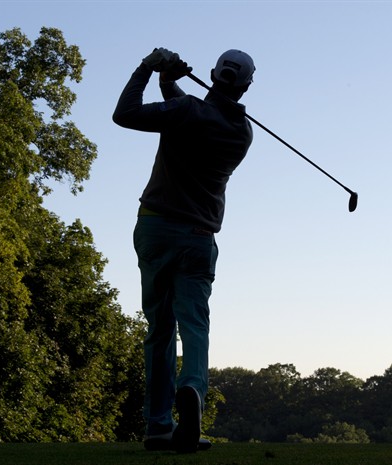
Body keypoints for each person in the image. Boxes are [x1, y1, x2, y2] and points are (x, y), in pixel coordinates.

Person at [112, 47, 255, 453]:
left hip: (156, 227)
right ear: (245, 86)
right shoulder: (241, 133)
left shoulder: (186, 112)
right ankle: (191, 387)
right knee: (194, 325)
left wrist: (148, 68)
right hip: (198, 237)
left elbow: (125, 113)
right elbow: (190, 109)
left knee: (159, 329)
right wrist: (168, 79)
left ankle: (158, 424)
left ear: (213, 74)